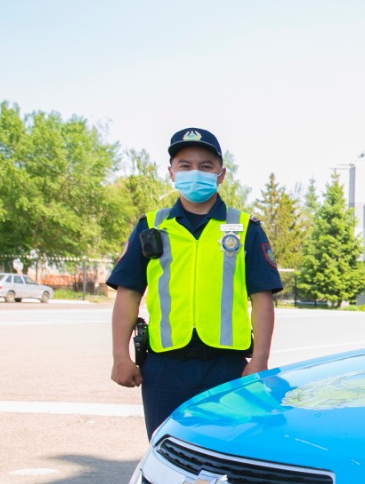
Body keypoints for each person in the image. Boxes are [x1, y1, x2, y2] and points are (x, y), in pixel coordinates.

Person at [109, 127, 282, 438]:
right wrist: (120, 356)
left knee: (228, 455)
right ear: (171, 172)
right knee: (167, 450)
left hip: (228, 368)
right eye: (185, 165)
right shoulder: (151, 226)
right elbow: (128, 292)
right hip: (164, 367)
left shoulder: (244, 228)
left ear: (221, 174)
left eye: (205, 166)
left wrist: (260, 360)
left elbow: (262, 298)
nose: (195, 173)